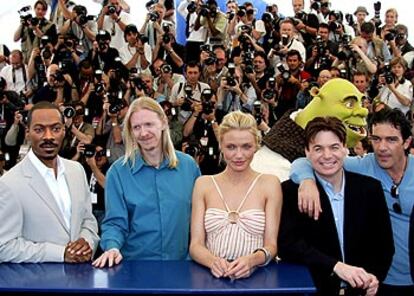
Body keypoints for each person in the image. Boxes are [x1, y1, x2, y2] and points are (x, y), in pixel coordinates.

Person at [290, 108, 414, 295]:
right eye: (376, 139)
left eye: (391, 139)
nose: (382, 147)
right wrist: (307, 181)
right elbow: (309, 160)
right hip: (378, 279)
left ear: (407, 142)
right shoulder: (361, 165)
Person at [92, 97, 200, 267]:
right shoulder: (117, 172)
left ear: (163, 122)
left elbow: (198, 219)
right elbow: (115, 222)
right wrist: (112, 247)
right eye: (136, 127)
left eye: (149, 124)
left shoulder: (189, 167)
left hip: (182, 268)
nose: (143, 133)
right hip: (134, 270)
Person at [0, 101, 99, 263]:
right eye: (39, 129)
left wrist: (86, 242)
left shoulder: (77, 171)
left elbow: (88, 220)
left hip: (82, 279)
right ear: (27, 132)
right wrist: (60, 253)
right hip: (38, 284)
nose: (48, 136)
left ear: (64, 131)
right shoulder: (9, 184)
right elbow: (3, 246)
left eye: (55, 129)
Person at [190, 110, 282, 279]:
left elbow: (271, 245)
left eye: (246, 146)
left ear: (256, 145)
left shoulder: (271, 184)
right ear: (221, 146)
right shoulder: (203, 184)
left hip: (257, 279)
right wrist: (213, 262)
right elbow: (195, 245)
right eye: (231, 147)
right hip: (211, 279)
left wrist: (252, 260)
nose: (239, 155)